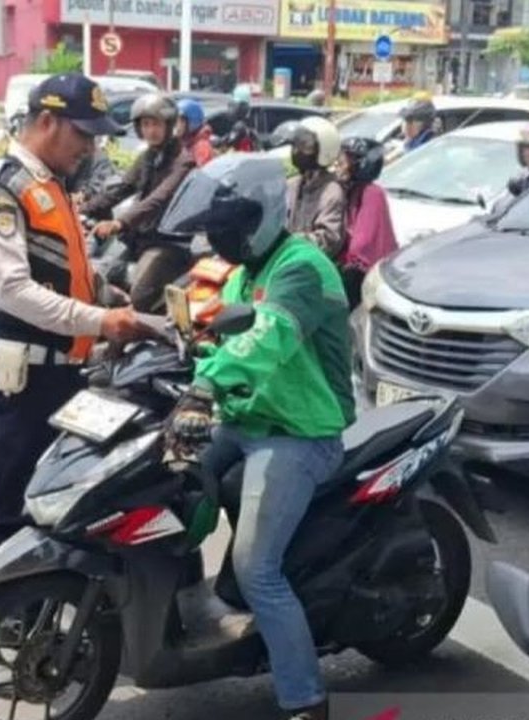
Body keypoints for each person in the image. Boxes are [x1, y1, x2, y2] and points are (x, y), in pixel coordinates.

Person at [161, 153, 356, 720]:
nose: (220, 240)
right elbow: (226, 338)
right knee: (167, 492)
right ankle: (187, 610)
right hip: (248, 419)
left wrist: (205, 387)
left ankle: (305, 699)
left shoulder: (301, 269)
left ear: (262, 217)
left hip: (301, 432)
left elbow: (267, 338)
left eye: (227, 229)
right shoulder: (248, 271)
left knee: (258, 568)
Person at [0, 73, 156, 617]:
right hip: (17, 378)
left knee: (51, 501)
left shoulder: (52, 183)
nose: (89, 147)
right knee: (5, 504)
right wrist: (101, 321)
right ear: (46, 121)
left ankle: (31, 624)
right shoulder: (0, 187)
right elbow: (13, 290)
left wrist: (112, 297)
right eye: (82, 134)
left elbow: (67, 267)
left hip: (60, 372)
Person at [82, 93, 197, 312]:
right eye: (145, 124)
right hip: (139, 239)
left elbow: (158, 199)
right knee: (99, 280)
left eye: (156, 124)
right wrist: (79, 209)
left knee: (139, 296)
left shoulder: (183, 162)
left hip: (166, 244)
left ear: (169, 125)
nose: (150, 130)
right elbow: (121, 189)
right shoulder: (148, 156)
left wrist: (119, 223)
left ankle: (150, 328)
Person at [335, 137, 397, 307]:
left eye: (344, 161)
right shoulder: (349, 189)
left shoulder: (372, 193)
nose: (339, 165)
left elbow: (362, 243)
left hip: (362, 274)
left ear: (361, 164)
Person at [278, 116, 346, 260]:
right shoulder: (293, 184)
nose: (297, 151)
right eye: (296, 145)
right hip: (287, 258)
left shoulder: (331, 191)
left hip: (311, 264)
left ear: (323, 149)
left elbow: (328, 239)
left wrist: (291, 242)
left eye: (305, 147)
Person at [176, 97, 215, 167]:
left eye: (182, 121)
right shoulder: (183, 142)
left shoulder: (202, 147)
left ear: (193, 122)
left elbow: (203, 171)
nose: (177, 125)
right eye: (175, 120)